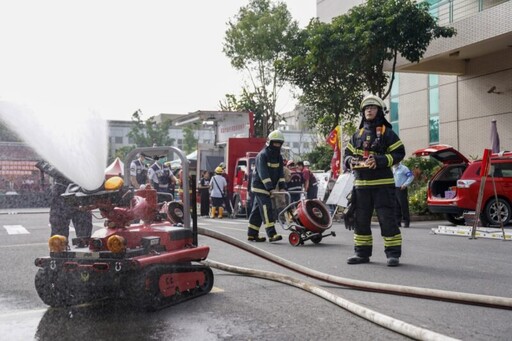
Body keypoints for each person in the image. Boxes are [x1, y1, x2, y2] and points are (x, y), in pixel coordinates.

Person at [344, 94, 405, 267]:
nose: (369, 110)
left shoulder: (388, 134)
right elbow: (347, 155)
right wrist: (350, 161)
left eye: (372, 108)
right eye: (366, 108)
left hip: (382, 186)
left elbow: (399, 153)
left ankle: (393, 255)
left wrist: (379, 161)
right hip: (361, 186)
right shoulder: (357, 135)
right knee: (360, 220)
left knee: (387, 219)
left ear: (379, 111)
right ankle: (362, 253)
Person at [35, 161, 93, 242]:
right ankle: (59, 251)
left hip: (80, 192)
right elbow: (42, 162)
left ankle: (83, 246)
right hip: (62, 192)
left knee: (84, 233)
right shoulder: (55, 153)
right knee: (59, 235)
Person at [246, 130, 286, 242]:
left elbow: (280, 173)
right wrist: (270, 188)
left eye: (279, 143)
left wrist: (282, 186)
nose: (277, 145)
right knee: (266, 208)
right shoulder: (262, 155)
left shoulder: (279, 157)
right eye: (275, 143)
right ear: (270, 142)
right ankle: (271, 234)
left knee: (257, 211)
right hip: (260, 187)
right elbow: (263, 173)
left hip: (269, 188)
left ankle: (252, 234)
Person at [393, 162, 414, 228]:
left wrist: (405, 185)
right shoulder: (393, 168)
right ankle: (397, 222)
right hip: (395, 188)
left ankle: (406, 222)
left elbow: (411, 176)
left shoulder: (404, 168)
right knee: (396, 206)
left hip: (401, 188)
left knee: (403, 206)